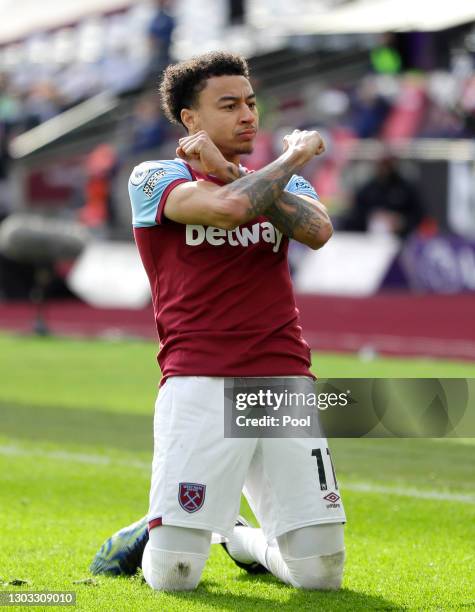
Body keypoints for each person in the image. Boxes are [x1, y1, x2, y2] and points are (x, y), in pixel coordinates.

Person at [90, 51, 346, 592]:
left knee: (320, 575)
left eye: (251, 102)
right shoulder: (155, 176)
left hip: (280, 377)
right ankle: (162, 533)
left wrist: (238, 169)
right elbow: (228, 209)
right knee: (175, 577)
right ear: (190, 119)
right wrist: (296, 155)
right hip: (199, 377)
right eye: (228, 105)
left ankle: (234, 535)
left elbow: (318, 233)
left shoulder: (276, 182)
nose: (248, 115)